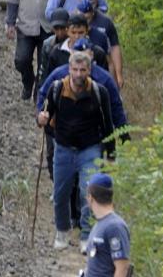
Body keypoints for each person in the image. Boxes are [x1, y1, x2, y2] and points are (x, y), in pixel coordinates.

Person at [37, 49, 125, 247]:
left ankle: (87, 236)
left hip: (90, 149)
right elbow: (45, 115)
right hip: (64, 148)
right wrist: (40, 119)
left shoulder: (99, 92)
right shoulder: (57, 89)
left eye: (82, 70)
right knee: (60, 194)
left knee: (89, 192)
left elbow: (107, 124)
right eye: (75, 69)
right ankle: (62, 231)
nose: (78, 74)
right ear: (69, 69)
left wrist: (111, 155)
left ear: (89, 70)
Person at [3, 0, 64, 99]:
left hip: (48, 27)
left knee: (45, 63)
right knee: (21, 60)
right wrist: (10, 23)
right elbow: (12, 0)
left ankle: (39, 91)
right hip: (26, 26)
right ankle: (28, 82)